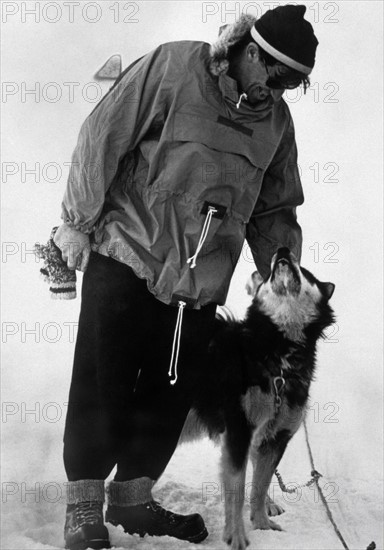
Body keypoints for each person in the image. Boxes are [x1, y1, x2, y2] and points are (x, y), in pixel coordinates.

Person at [54, 5, 318, 549]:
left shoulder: (275, 124)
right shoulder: (175, 67)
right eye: (277, 77)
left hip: (199, 285)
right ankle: (82, 510)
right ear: (250, 53)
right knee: (103, 387)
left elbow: (275, 207)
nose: (279, 93)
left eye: (293, 85)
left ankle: (132, 503)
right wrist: (77, 223)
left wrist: (278, 270)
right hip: (129, 253)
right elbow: (102, 135)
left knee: (169, 397)